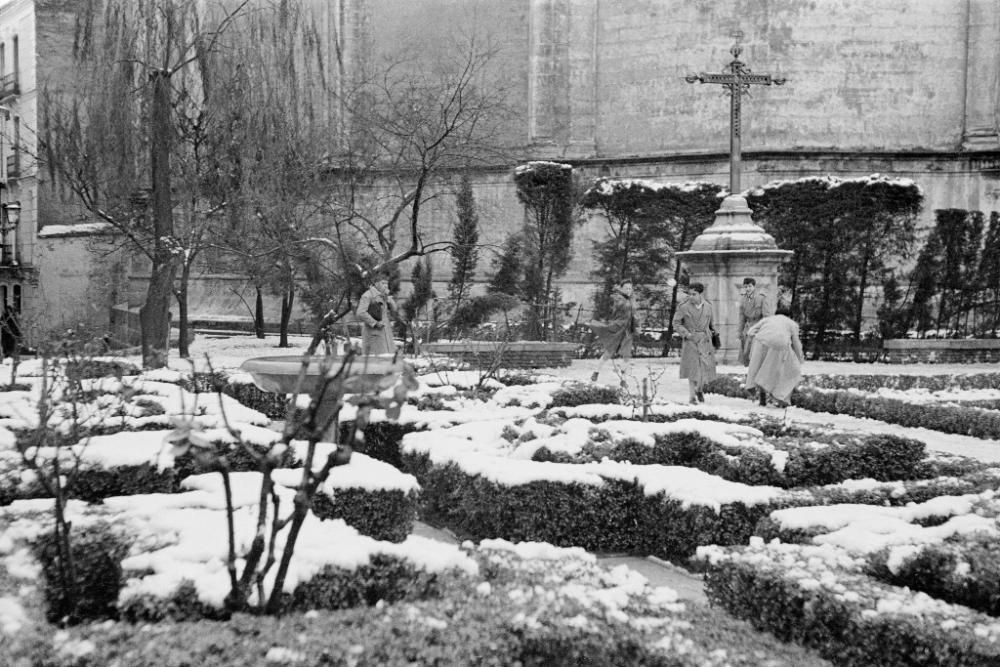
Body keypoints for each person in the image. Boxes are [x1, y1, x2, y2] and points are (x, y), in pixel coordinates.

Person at [743, 308, 805, 407]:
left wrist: (750, 348)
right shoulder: (791, 323)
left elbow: (750, 332)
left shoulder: (767, 319)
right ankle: (780, 398)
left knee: (760, 371)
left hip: (760, 343)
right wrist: (800, 358)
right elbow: (796, 343)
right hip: (779, 345)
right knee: (781, 371)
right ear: (789, 316)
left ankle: (762, 397)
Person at [672, 282, 716, 404]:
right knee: (692, 368)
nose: (691, 296)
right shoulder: (684, 307)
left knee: (704, 368)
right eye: (689, 294)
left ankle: (699, 389)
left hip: (704, 340)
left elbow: (711, 324)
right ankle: (692, 396)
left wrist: (713, 336)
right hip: (691, 340)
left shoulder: (708, 306)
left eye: (694, 294)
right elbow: (676, 323)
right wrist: (687, 334)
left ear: (700, 294)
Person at [589, 281, 637, 386]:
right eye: (626, 288)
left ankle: (623, 380)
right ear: (621, 289)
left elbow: (633, 314)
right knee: (609, 352)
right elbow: (620, 306)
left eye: (630, 288)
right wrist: (625, 298)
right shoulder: (618, 298)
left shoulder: (631, 299)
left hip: (628, 331)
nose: (628, 290)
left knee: (627, 355)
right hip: (617, 328)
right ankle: (596, 372)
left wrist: (636, 324)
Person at [738, 278, 774, 366]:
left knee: (757, 353)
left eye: (750, 286)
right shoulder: (743, 299)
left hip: (759, 328)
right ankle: (750, 373)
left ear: (754, 287)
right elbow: (742, 317)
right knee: (746, 352)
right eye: (745, 287)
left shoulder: (761, 298)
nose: (748, 289)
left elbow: (767, 316)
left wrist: (766, 331)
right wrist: (740, 331)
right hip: (748, 328)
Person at [356, 276, 397, 355]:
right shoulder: (367, 295)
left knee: (387, 358)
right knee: (374, 360)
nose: (386, 286)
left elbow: (394, 310)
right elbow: (360, 312)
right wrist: (374, 323)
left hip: (386, 334)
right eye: (383, 283)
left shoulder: (384, 296)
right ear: (376, 283)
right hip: (373, 333)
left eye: (387, 284)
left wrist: (390, 300)